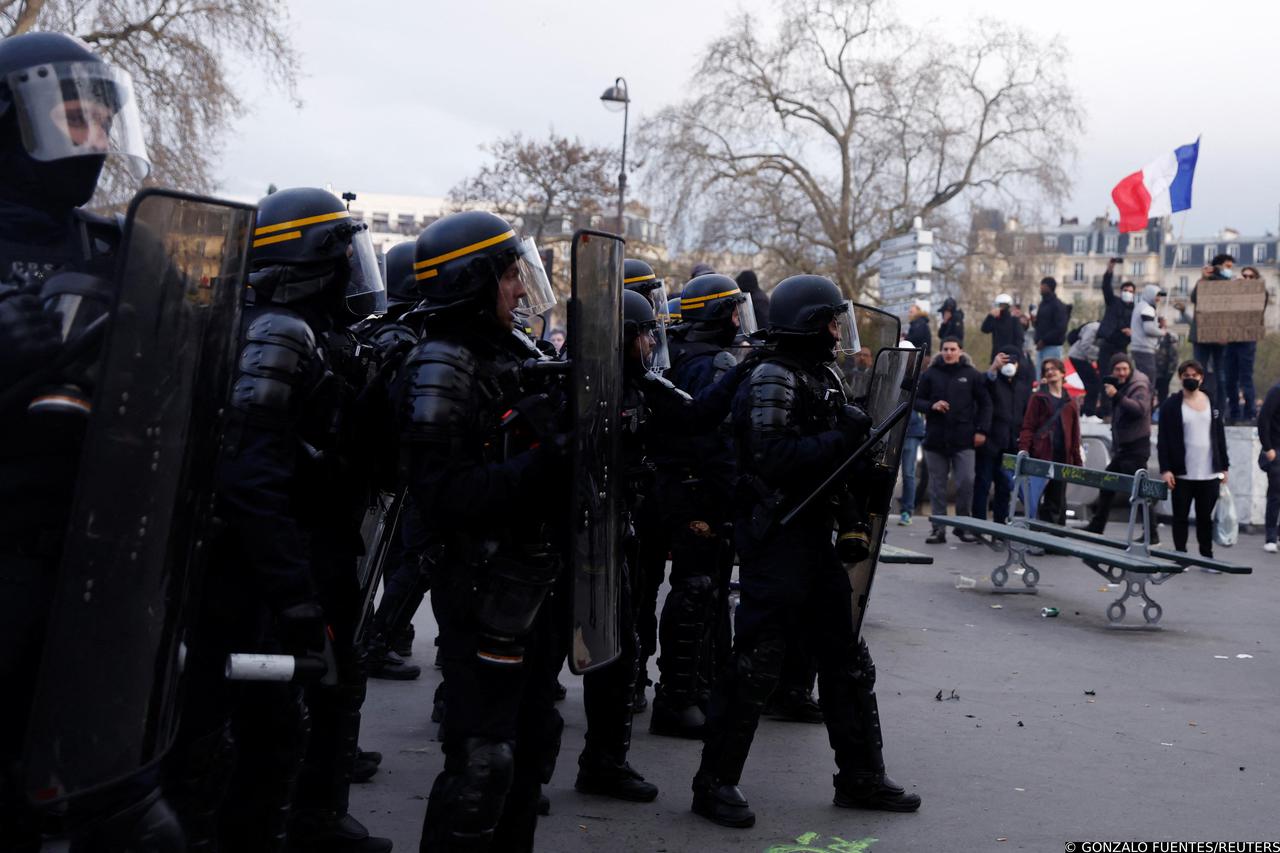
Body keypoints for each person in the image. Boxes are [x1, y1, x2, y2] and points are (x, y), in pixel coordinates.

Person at [0, 31, 189, 850]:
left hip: (94, 578)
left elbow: (182, 410)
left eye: (105, 121)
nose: (97, 140)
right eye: (73, 117)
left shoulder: (125, 254)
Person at [169, 186, 393, 853]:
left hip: (259, 568)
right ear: (307, 262)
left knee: (259, 737)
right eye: (342, 255)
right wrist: (295, 594)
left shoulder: (287, 330)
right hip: (247, 576)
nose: (354, 272)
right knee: (247, 745)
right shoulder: (275, 330)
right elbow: (251, 478)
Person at [691, 274, 920, 828]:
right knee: (756, 662)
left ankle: (861, 776)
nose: (839, 330)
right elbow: (775, 458)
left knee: (844, 658)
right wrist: (844, 437)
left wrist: (864, 462)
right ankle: (714, 783)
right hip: (777, 536)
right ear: (811, 323)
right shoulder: (773, 376)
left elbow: (830, 454)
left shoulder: (820, 374)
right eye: (832, 321)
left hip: (814, 535)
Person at [400, 210, 567, 851]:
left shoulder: (506, 354)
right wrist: (544, 463)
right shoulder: (441, 365)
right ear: (473, 282)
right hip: (480, 585)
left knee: (529, 749)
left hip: (530, 581)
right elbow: (444, 498)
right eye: (508, 277)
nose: (521, 289)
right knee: (481, 763)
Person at [646, 272, 755, 738]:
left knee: (695, 592)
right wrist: (733, 494)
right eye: (734, 310)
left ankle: (694, 690)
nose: (739, 320)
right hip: (700, 492)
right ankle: (680, 697)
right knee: (696, 593)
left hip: (671, 487)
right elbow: (718, 438)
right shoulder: (716, 364)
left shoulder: (674, 353)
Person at [915, 337, 992, 544]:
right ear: (941, 352)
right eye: (945, 349)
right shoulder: (930, 374)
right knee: (937, 486)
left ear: (960, 351)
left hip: (964, 439)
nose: (949, 352)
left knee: (966, 482)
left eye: (953, 349)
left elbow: (985, 404)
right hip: (936, 439)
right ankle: (938, 529)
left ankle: (963, 526)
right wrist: (932, 405)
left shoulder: (972, 375)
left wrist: (982, 431)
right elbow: (916, 401)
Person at [1157, 360, 1229, 560]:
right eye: (1186, 375)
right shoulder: (1171, 405)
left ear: (1201, 378)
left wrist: (1225, 466)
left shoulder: (1211, 402)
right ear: (1180, 378)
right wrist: (1166, 469)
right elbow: (1163, 440)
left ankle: (1206, 556)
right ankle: (1181, 556)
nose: (1191, 378)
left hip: (1210, 473)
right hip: (1182, 473)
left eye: (1194, 375)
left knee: (1205, 518)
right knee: (1180, 517)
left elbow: (1219, 435)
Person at [1084, 354, 1155, 540]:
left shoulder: (1139, 385)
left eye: (1124, 369)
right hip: (1123, 447)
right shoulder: (1122, 385)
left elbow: (1139, 410)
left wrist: (1117, 396)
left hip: (1136, 446)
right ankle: (1097, 526)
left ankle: (1152, 534)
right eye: (1118, 370)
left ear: (1130, 369)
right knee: (1107, 483)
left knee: (1141, 490)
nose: (1121, 373)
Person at [1017, 358, 1082, 524]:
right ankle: (1045, 538)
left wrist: (1077, 461)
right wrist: (1023, 450)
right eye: (1047, 370)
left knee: (1058, 499)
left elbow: (1075, 435)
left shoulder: (1070, 403)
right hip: (1042, 454)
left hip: (1063, 457)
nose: (1050, 372)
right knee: (1039, 499)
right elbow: (1028, 426)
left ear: (1062, 373)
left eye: (1054, 369)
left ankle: (1056, 538)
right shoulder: (1038, 398)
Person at [973, 345, 1032, 523]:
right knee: (982, 483)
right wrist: (993, 367)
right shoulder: (991, 381)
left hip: (1011, 444)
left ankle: (1000, 525)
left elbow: (1025, 414)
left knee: (1005, 486)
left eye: (1013, 362)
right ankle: (978, 524)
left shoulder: (1022, 387)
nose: (1010, 366)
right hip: (989, 442)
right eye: (1006, 361)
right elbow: (980, 387)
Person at [1190, 253, 1234, 411]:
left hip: (1220, 337)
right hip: (1201, 335)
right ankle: (1198, 405)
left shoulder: (1231, 284)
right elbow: (1194, 298)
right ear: (1219, 266)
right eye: (1228, 267)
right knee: (1199, 371)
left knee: (1220, 374)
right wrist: (1203, 279)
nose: (1230, 270)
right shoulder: (1205, 280)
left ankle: (1220, 410)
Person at [1223, 265, 1264, 423]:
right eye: (1244, 276)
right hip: (1231, 341)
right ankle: (1234, 413)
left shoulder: (1260, 293)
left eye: (1250, 277)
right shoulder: (1234, 294)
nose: (1246, 279)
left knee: (1246, 378)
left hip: (1247, 342)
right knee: (1230, 379)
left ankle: (1250, 413)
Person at [1096, 259, 1134, 414]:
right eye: (1126, 290)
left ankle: (1119, 407)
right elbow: (1106, 287)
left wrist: (1132, 332)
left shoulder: (1135, 310)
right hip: (1108, 344)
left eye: (1131, 291)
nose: (1128, 293)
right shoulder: (1113, 302)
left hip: (1121, 348)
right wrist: (1110, 268)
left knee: (1122, 377)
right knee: (1105, 377)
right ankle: (1106, 410)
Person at [897, 340, 926, 525]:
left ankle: (907, 510)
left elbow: (921, 400)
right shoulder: (889, 369)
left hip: (911, 428)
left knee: (908, 473)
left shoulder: (919, 375)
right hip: (892, 427)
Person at [1257, 379, 1280, 553]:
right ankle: (1271, 537)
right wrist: (1268, 448)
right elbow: (1263, 419)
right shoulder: (1276, 391)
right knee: (1275, 495)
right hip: (1277, 451)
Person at [1128, 284, 1165, 392]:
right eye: (1157, 296)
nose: (1158, 299)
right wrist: (1162, 332)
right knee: (1148, 380)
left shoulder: (1140, 306)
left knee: (1141, 379)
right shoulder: (1147, 308)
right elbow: (1148, 329)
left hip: (1138, 347)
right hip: (1144, 348)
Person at [1032, 277, 1070, 373]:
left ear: (1049, 287)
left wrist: (1044, 340)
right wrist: (1034, 322)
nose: (1040, 288)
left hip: (1052, 347)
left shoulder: (1058, 305)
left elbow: (1060, 328)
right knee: (1040, 376)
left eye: (1043, 286)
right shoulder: (1042, 304)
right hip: (1041, 347)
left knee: (1051, 375)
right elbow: (1040, 325)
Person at [1067, 320, 1102, 420]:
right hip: (1078, 357)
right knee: (1093, 384)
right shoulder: (1094, 328)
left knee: (1092, 384)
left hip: (1081, 357)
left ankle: (1085, 411)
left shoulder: (1095, 327)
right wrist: (1100, 353)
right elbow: (1085, 345)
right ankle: (1088, 413)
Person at [1154, 316, 1179, 409]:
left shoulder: (1169, 337)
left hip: (1164, 373)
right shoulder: (1152, 336)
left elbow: (1174, 356)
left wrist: (1170, 372)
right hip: (1153, 371)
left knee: (1163, 395)